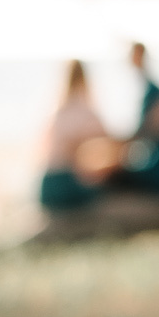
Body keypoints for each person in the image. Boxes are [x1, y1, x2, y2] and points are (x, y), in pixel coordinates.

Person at [38, 60, 117, 215]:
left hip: (46, 185)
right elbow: (109, 143)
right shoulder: (87, 112)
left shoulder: (56, 113)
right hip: (66, 184)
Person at [109, 41, 159, 198]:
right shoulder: (154, 92)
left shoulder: (155, 95)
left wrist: (113, 144)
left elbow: (145, 135)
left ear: (139, 57)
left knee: (112, 177)